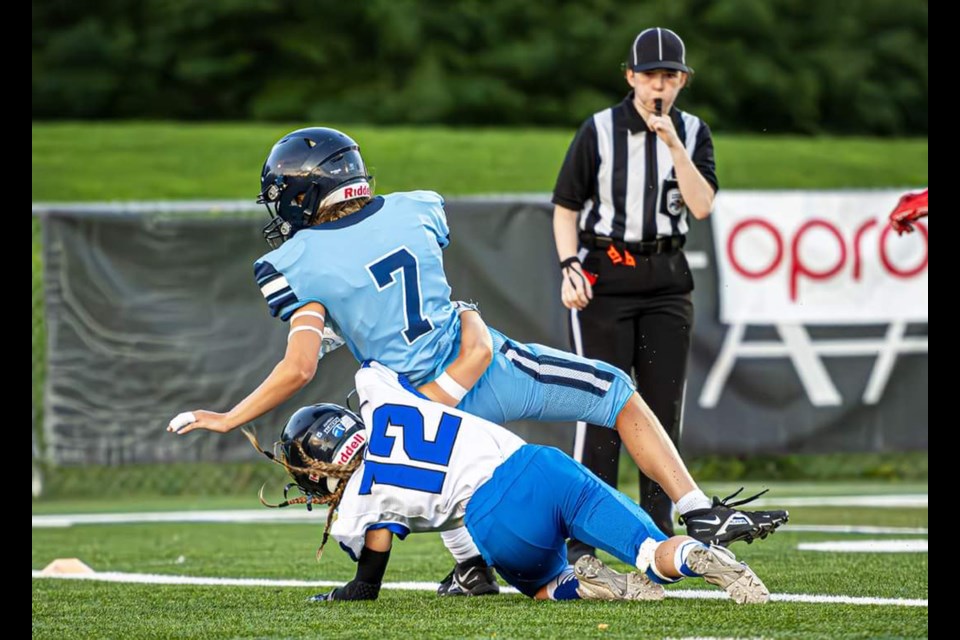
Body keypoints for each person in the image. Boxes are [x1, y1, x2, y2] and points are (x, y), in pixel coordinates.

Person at [167, 126, 787, 596]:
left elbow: (300, 367)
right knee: (616, 391)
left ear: (306, 194)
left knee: (427, 484)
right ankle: (695, 511)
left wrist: (227, 416)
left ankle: (472, 566)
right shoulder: (417, 208)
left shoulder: (292, 261)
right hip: (479, 363)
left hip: (416, 406)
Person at [247, 360, 771, 605]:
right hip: (541, 464)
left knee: (544, 585)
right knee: (650, 548)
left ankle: (581, 584)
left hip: (495, 516)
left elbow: (373, 557)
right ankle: (696, 558)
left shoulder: (357, 506)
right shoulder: (380, 396)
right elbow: (372, 364)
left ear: (317, 467)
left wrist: (358, 588)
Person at [551, 27, 716, 554]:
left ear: (683, 81)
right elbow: (566, 206)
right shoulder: (599, 130)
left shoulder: (692, 133)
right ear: (630, 77)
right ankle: (585, 534)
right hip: (608, 273)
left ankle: (658, 534)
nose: (659, 85)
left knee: (662, 408)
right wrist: (569, 264)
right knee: (603, 405)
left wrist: (670, 141)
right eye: (650, 75)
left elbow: (702, 205)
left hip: (666, 276)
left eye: (670, 75)